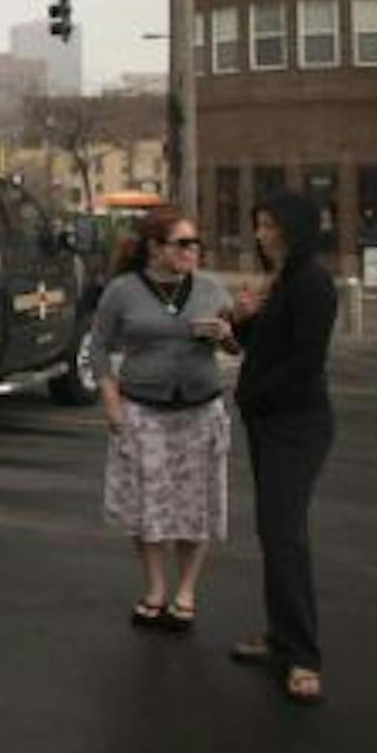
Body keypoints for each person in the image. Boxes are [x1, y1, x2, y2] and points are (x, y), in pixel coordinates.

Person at [89, 206, 236, 634]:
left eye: (195, 243)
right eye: (183, 243)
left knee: (196, 505)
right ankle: (154, 589)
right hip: (143, 412)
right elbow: (98, 346)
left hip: (200, 410)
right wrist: (110, 399)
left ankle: (186, 592)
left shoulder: (211, 289)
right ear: (155, 248)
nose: (193, 251)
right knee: (148, 505)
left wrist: (225, 336)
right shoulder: (122, 291)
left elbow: (238, 348)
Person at [227, 191, 338, 706]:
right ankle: (280, 636)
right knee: (276, 535)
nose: (261, 234)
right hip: (267, 424)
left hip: (296, 425)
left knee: (283, 533)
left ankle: (303, 657)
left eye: (270, 225)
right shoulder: (281, 281)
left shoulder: (312, 282)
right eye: (258, 224)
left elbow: (305, 362)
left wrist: (258, 394)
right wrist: (242, 318)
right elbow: (259, 346)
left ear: (293, 228)